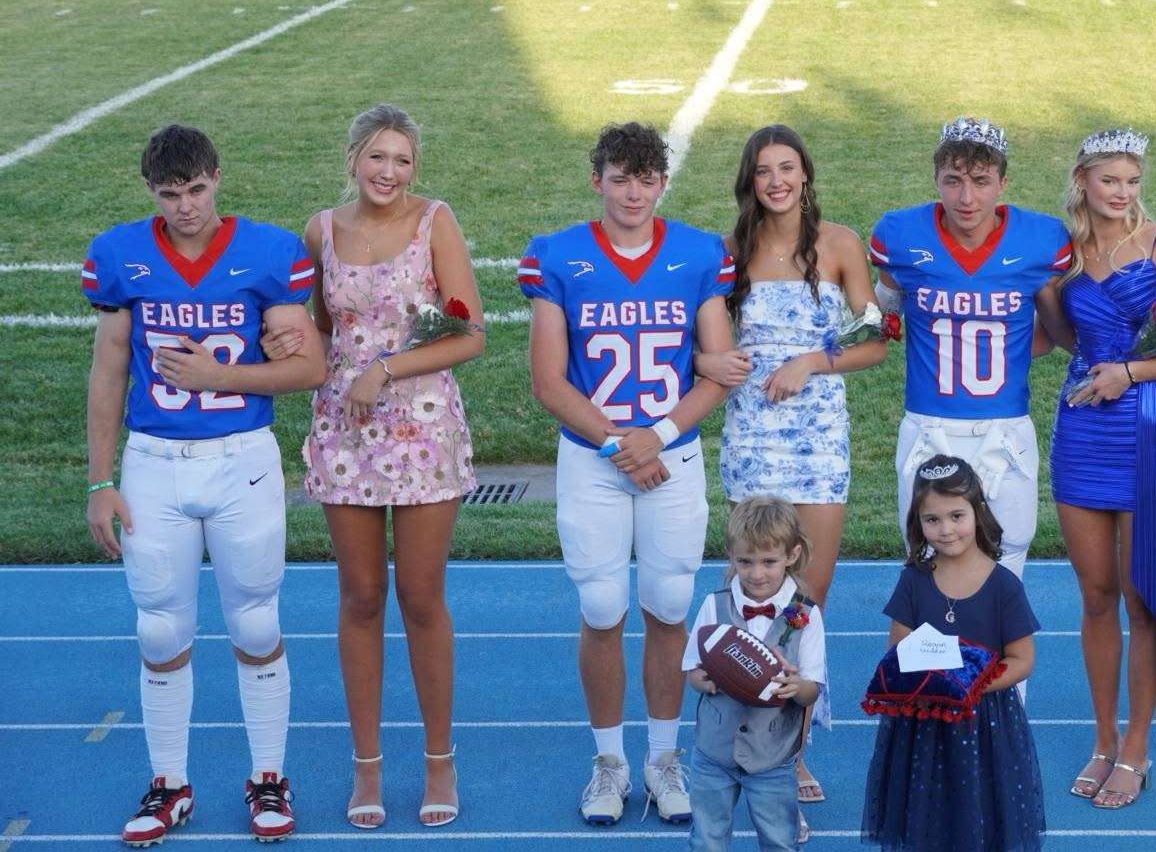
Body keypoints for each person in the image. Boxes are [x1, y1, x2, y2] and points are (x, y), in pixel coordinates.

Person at [82, 124, 327, 846]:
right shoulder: (120, 254)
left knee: (256, 620)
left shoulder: (270, 251)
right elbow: (109, 370)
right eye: (170, 194)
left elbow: (308, 369)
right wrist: (99, 477)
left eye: (196, 190)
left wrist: (225, 376)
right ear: (149, 192)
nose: (186, 207)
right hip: (154, 457)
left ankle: (269, 776)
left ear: (217, 177)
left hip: (240, 457)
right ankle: (169, 782)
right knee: (159, 627)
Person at [521, 122, 736, 827]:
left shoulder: (699, 254)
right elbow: (548, 381)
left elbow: (719, 368)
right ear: (597, 181)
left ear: (663, 182)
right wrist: (622, 444)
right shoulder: (557, 256)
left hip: (670, 455)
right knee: (602, 606)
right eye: (621, 178)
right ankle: (610, 761)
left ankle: (664, 757)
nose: (634, 192)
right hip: (593, 457)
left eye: (647, 179)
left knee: (671, 602)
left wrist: (658, 437)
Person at [279, 104, 484, 830]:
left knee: (422, 598)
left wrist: (387, 370)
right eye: (377, 158)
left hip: (423, 428)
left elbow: (468, 333)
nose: (388, 172)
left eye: (401, 160)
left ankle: (438, 760)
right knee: (361, 598)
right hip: (345, 432)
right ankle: (366, 766)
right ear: (352, 159)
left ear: (415, 168)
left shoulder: (436, 222)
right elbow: (322, 328)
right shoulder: (320, 229)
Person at [701, 125, 888, 807]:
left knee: (807, 600)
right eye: (763, 170)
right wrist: (707, 364)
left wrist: (812, 361)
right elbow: (705, 345)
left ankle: (791, 750)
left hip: (817, 437)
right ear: (749, 181)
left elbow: (874, 342)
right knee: (754, 598)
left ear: (806, 174)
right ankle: (739, 743)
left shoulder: (839, 244)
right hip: (753, 432)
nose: (777, 181)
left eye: (787, 168)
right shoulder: (730, 252)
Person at [1037, 129, 1156, 809]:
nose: (1123, 193)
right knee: (1096, 595)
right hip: (1082, 422)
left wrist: (1131, 372)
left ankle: (1136, 747)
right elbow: (1059, 339)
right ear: (1082, 180)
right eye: (1111, 180)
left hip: (1150, 425)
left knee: (1143, 596)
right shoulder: (1064, 252)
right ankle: (1103, 738)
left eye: (1133, 180)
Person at [870, 117, 1072, 579]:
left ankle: (1002, 657)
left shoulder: (1040, 240)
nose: (967, 198)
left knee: (1007, 565)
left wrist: (1009, 347)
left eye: (981, 182)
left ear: (1003, 182)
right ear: (935, 179)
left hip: (1004, 428)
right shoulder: (900, 236)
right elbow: (886, 305)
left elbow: (1057, 332)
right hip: (928, 425)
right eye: (953, 181)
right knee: (927, 567)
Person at [862, 456, 1045, 852]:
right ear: (918, 522)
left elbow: (1022, 659)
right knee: (924, 814)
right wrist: (930, 680)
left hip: (984, 723)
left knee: (983, 813)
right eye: (932, 520)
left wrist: (971, 684)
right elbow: (896, 648)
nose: (946, 530)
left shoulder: (1003, 586)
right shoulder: (913, 579)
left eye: (956, 515)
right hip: (922, 720)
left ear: (978, 511)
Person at [683, 496, 826, 851]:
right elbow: (692, 673)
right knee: (706, 838)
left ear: (791, 556)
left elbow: (812, 690)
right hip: (714, 751)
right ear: (731, 555)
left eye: (768, 561)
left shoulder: (805, 615)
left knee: (779, 839)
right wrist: (713, 678)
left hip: (773, 756)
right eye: (745, 561)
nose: (756, 573)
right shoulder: (713, 605)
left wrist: (794, 686)